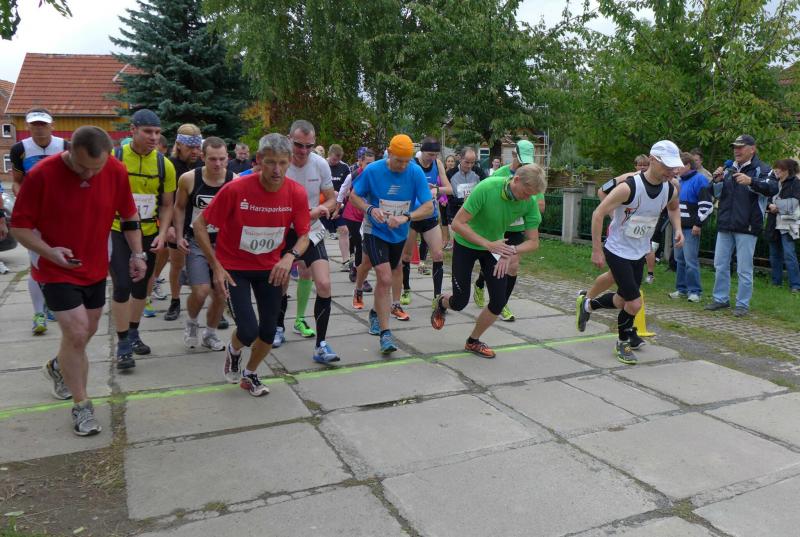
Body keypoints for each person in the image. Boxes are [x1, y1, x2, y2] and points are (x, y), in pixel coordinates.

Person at [11, 126, 146, 435]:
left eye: (95, 168)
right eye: (82, 166)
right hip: (54, 267)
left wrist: (138, 255)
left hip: (94, 266)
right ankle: (82, 406)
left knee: (88, 332)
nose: (88, 174)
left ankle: (58, 366)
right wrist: (49, 252)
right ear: (69, 150)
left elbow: (129, 216)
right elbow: (19, 227)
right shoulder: (42, 175)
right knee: (76, 333)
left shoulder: (115, 170)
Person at [193, 133, 310, 396]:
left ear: (290, 161)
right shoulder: (236, 189)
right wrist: (216, 266)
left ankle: (250, 374)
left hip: (270, 268)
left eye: (282, 163)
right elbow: (199, 225)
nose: (277, 170)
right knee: (247, 330)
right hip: (234, 268)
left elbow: (304, 235)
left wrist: (289, 257)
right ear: (258, 160)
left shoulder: (296, 193)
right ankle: (234, 351)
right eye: (270, 162)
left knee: (268, 330)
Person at [576, 140, 683, 365]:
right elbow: (598, 213)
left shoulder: (671, 188)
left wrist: (678, 229)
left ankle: (588, 304)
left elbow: (674, 208)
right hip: (617, 249)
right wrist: (596, 250)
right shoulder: (629, 187)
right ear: (652, 160)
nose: (671, 171)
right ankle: (623, 342)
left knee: (621, 300)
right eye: (667, 166)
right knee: (634, 303)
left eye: (673, 167)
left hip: (639, 250)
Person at [430, 165, 545, 358]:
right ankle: (442, 303)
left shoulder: (529, 201)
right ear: (516, 180)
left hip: (495, 247)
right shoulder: (487, 188)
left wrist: (510, 251)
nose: (527, 198)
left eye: (531, 195)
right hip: (467, 244)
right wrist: (487, 244)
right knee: (459, 302)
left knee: (499, 302)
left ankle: (473, 341)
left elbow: (533, 242)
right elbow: (457, 224)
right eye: (526, 193)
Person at [350, 134, 434, 354]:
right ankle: (386, 334)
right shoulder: (373, 170)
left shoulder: (415, 172)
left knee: (393, 271)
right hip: (375, 230)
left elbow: (428, 206)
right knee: (385, 277)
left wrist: (406, 217)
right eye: (399, 160)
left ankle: (375, 313)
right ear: (389, 152)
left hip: (399, 233)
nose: (403, 165)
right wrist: (370, 209)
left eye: (407, 161)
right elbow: (354, 196)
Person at [111, 109, 176, 369]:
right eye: (148, 132)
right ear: (133, 130)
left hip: (148, 231)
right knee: (122, 284)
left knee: (141, 287)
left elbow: (168, 205)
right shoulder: (115, 158)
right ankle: (122, 343)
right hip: (117, 229)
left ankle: (133, 331)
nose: (154, 137)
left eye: (157, 132)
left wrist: (162, 233)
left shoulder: (164, 165)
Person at [272, 120, 339, 364]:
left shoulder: (320, 164)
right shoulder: (280, 163)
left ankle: (321, 344)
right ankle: (278, 327)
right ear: (289, 139)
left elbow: (332, 199)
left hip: (311, 230)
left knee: (324, 283)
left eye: (309, 146)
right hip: (283, 231)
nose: (303, 151)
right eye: (299, 145)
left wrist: (322, 208)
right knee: (280, 281)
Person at [9, 108, 68, 335]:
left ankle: (53, 303)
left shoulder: (65, 146)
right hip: (34, 216)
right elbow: (17, 181)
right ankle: (38, 313)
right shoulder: (19, 149)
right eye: (35, 125)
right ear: (28, 126)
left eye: (43, 124)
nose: (39, 128)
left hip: (61, 216)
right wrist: (23, 199)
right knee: (36, 263)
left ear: (52, 125)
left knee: (60, 259)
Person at [173, 137, 234, 351]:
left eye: (222, 159)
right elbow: (179, 207)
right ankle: (191, 322)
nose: (218, 164)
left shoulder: (234, 181)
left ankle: (210, 333)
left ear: (228, 158)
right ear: (203, 157)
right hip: (196, 241)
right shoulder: (189, 179)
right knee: (200, 291)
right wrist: (179, 235)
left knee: (221, 294)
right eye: (212, 159)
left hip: (223, 245)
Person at [706, 135, 777, 316]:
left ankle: (742, 305)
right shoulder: (728, 168)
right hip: (726, 223)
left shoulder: (763, 169)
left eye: (741, 147)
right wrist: (716, 181)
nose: (736, 151)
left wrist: (751, 181)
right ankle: (720, 299)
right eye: (735, 147)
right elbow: (715, 193)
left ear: (752, 149)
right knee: (720, 264)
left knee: (744, 268)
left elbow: (773, 188)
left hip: (748, 226)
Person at [472, 141, 540, 321]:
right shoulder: (500, 174)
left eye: (528, 162)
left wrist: (524, 208)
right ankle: (480, 283)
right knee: (493, 264)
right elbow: (485, 198)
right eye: (522, 161)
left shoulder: (532, 177)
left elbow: (539, 204)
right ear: (514, 156)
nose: (525, 165)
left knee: (513, 264)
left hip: (516, 228)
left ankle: (502, 303)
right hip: (496, 228)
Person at [399, 137, 453, 312]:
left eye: (435, 154)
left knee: (438, 254)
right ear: (421, 151)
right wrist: (420, 189)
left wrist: (435, 189)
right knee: (407, 256)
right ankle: (406, 289)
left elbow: (449, 189)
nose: (432, 157)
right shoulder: (411, 164)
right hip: (412, 216)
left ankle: (437, 297)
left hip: (430, 216)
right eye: (430, 154)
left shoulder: (438, 164)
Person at [163, 124, 204, 322]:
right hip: (177, 222)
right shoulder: (169, 165)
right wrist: (169, 226)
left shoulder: (202, 165)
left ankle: (216, 304)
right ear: (179, 145)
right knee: (177, 265)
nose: (195, 151)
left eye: (198, 147)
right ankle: (175, 300)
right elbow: (165, 200)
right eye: (191, 147)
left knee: (207, 264)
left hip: (198, 224)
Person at [669, 152, 713, 302]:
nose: (676, 169)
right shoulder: (678, 181)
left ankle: (695, 291)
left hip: (691, 227)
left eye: (678, 166)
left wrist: (698, 224)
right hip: (679, 227)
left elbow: (706, 205)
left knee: (690, 260)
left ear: (687, 165)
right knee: (679, 259)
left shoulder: (700, 179)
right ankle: (681, 289)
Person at [338, 147, 375, 290]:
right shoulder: (353, 175)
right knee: (359, 244)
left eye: (373, 163)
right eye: (368, 164)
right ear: (361, 162)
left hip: (367, 214)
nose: (370, 167)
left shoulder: (376, 176)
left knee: (363, 245)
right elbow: (343, 190)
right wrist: (337, 207)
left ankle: (356, 270)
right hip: (352, 214)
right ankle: (360, 276)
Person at [765, 158, 800, 292]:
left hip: (789, 223)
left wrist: (776, 206)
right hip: (773, 222)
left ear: (787, 170)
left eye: (779, 168)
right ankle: (776, 282)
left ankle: (795, 285)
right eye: (776, 168)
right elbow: (767, 199)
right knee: (774, 254)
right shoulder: (774, 183)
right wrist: (770, 205)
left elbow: (794, 203)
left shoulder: (796, 183)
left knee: (789, 254)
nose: (776, 170)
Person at [326, 144, 352, 269]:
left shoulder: (344, 167)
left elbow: (349, 186)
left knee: (344, 230)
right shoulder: (322, 165)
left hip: (339, 205)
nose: (335, 162)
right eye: (333, 159)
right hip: (323, 205)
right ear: (329, 154)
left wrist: (343, 194)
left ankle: (346, 261)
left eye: (338, 160)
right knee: (317, 233)